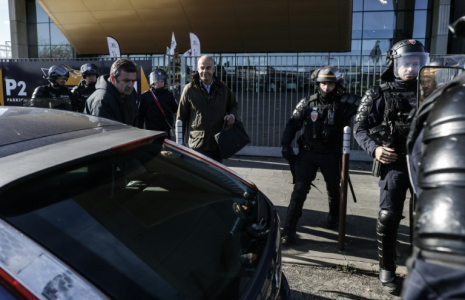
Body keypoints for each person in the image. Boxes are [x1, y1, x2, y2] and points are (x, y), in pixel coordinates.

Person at [353, 39, 429, 295]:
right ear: (394, 64)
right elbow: (359, 128)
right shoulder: (378, 93)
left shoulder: (433, 91)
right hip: (394, 163)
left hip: (426, 163)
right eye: (406, 63)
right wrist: (374, 149)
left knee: (426, 219)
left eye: (416, 63)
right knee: (389, 217)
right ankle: (387, 268)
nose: (411, 68)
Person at [280, 66, 360, 245]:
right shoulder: (307, 103)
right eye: (323, 83)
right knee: (299, 190)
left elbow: (370, 109)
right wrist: (286, 144)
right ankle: (288, 231)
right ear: (318, 84)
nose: (326, 87)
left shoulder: (347, 103)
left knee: (333, 187)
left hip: (332, 155)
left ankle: (333, 216)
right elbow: (292, 124)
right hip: (308, 153)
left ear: (337, 84)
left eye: (330, 84)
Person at [177, 55, 238, 163]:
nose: (205, 71)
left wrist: (232, 116)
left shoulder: (223, 88)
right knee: (200, 177)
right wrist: (180, 142)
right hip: (198, 144)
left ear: (214, 69)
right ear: (197, 69)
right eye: (202, 68)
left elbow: (233, 105)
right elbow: (181, 117)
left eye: (208, 68)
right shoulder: (189, 89)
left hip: (218, 143)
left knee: (217, 177)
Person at [84, 58, 137, 126]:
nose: (130, 85)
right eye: (126, 81)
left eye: (133, 81)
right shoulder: (102, 101)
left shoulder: (130, 93)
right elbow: (105, 134)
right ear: (112, 79)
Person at [137, 69, 178, 138]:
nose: (160, 83)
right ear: (152, 82)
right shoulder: (146, 96)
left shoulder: (169, 95)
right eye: (157, 80)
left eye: (162, 80)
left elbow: (176, 111)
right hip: (151, 131)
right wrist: (140, 132)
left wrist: (176, 126)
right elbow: (140, 116)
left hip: (166, 131)